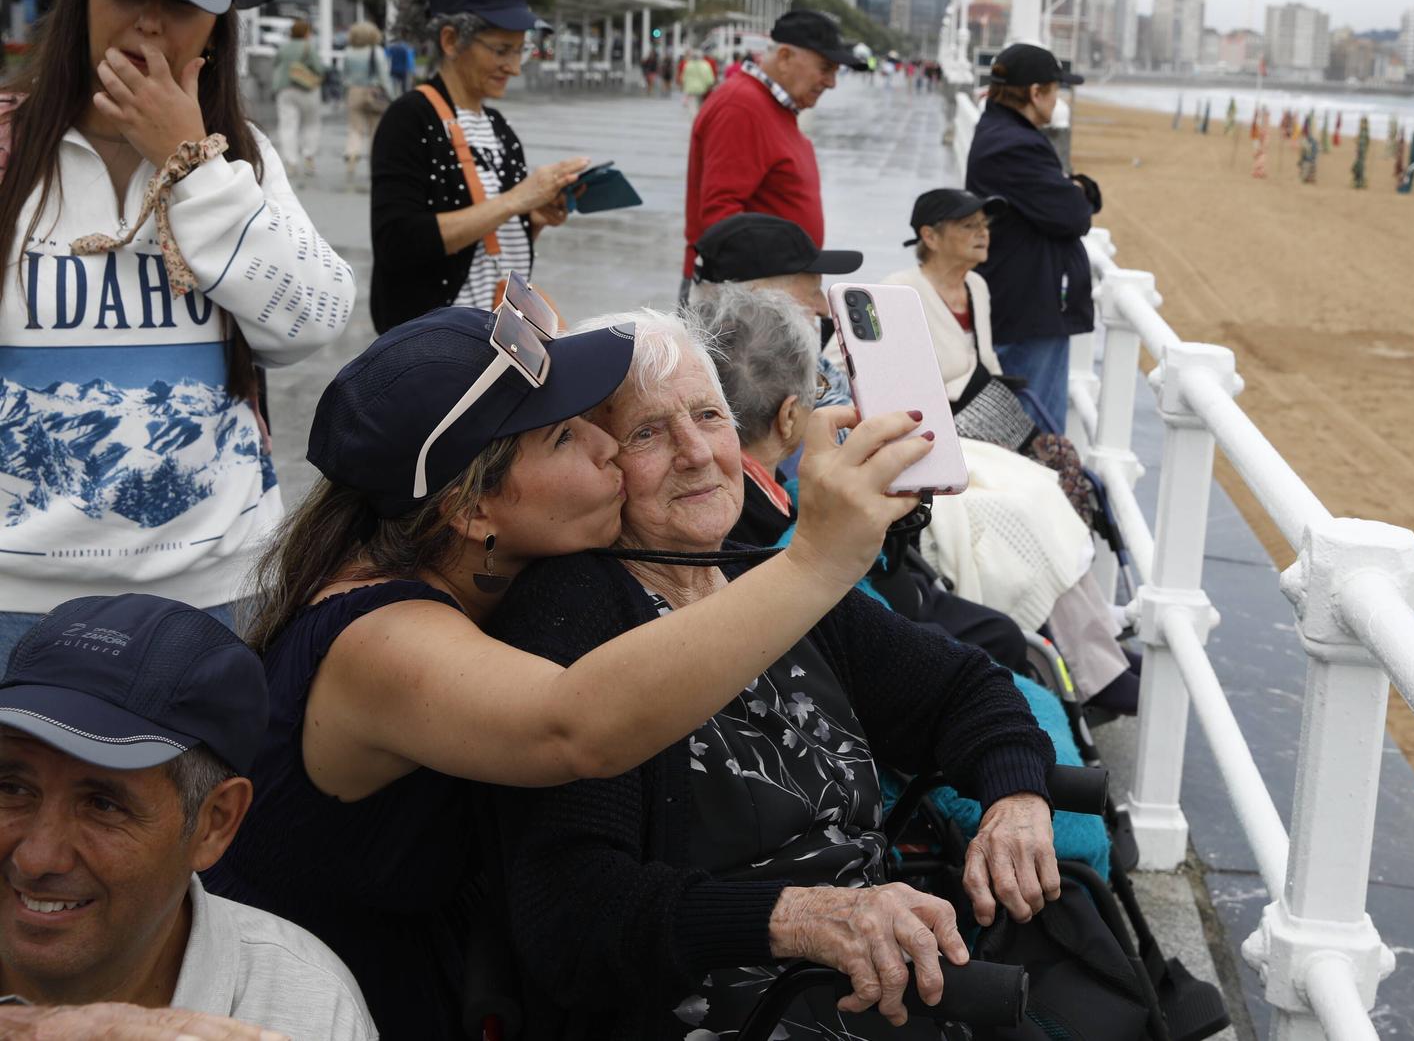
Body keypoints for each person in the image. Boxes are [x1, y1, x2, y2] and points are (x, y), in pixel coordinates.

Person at [209, 296, 936, 1038]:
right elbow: (574, 726)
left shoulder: (470, 578)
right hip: (293, 1008)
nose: (609, 446)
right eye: (564, 434)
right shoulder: (377, 639)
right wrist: (817, 559)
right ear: (472, 509)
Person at [486, 304, 1058, 1039]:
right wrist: (806, 918)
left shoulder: (765, 581)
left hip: (877, 974)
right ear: (596, 464)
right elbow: (574, 908)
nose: (696, 451)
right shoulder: (574, 615)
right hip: (731, 1010)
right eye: (647, 432)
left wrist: (1014, 795)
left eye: (708, 415)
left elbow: (964, 685)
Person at [0, 0, 356, 658]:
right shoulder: (9, 151)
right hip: (17, 598)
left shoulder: (245, 158)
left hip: (213, 590)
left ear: (218, 27)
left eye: (183, 1)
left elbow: (313, 322)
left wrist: (192, 166)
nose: (150, 22)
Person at [0, 593, 374, 1038]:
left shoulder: (302, 1002)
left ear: (215, 822)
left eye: (103, 805)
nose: (36, 860)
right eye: (12, 789)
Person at [697, 284, 1027, 673]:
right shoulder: (761, 520)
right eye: (817, 391)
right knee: (1000, 638)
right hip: (871, 655)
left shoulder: (712, 502)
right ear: (788, 418)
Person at [366, 0, 590, 334]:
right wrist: (517, 200)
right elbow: (398, 241)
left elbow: (487, 243)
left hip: (493, 339)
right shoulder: (409, 118)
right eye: (502, 50)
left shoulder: (499, 129)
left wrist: (531, 220)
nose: (514, 67)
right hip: (433, 346)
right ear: (451, 40)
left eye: (520, 51)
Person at [965, 43, 1098, 434]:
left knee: (1029, 415)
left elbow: (1066, 201)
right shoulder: (1013, 143)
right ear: (1036, 93)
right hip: (1027, 306)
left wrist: (1074, 189)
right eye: (1056, 90)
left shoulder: (1004, 133)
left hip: (1025, 299)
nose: (1059, 99)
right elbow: (1073, 214)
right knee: (1032, 424)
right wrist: (1075, 191)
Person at [682, 11, 868, 280]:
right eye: (825, 68)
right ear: (784, 58)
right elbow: (720, 219)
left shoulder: (771, 106)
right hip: (744, 296)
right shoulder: (742, 106)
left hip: (771, 290)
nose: (832, 82)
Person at [687, 212, 858, 405]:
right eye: (812, 292)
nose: (824, 308)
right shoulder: (758, 379)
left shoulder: (797, 347)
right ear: (756, 303)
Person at [881, 187, 1007, 404]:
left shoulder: (976, 286)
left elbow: (988, 363)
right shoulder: (898, 290)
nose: (983, 233)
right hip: (923, 423)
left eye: (984, 224)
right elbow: (842, 364)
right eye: (969, 225)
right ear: (930, 237)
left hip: (977, 417)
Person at [268, 17, 323, 176]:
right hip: (307, 90)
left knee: (287, 126)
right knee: (311, 124)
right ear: (306, 32)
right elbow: (318, 68)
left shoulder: (283, 47)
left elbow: (276, 64)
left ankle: (291, 161)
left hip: (285, 90)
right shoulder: (309, 47)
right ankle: (309, 155)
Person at [340, 20, 392, 185]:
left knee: (355, 128)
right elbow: (384, 76)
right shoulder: (377, 51)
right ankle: (374, 165)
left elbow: (344, 76)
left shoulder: (348, 52)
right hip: (374, 92)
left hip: (354, 91)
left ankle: (352, 153)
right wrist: (392, 95)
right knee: (375, 131)